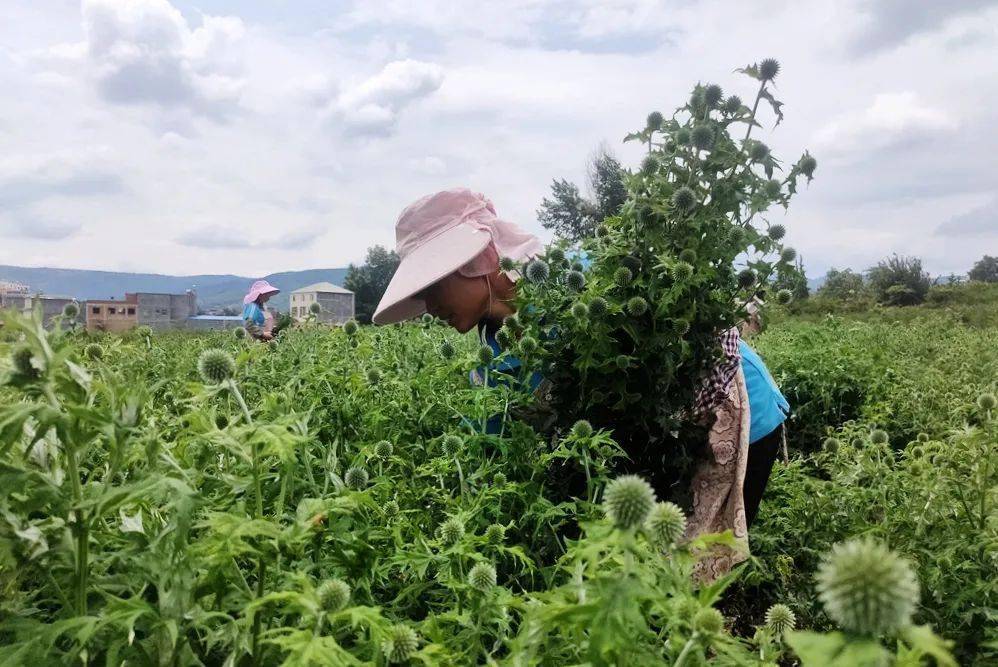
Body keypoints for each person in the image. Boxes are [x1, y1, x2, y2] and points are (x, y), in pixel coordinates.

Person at [373, 188, 789, 580]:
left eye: (432, 286)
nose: (427, 307)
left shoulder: (586, 280)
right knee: (651, 576)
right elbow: (488, 441)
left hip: (733, 412)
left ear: (477, 260)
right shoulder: (495, 351)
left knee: (700, 578)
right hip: (657, 443)